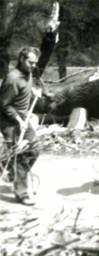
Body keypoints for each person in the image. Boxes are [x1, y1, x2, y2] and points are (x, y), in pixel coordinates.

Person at [0, 46, 41, 206]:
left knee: (34, 150)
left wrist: (36, 92)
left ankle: (7, 166)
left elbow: (25, 91)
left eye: (35, 63)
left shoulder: (28, 72)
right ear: (22, 59)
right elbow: (4, 105)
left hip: (23, 117)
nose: (33, 66)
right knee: (21, 155)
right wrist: (19, 120)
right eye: (31, 62)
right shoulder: (13, 79)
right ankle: (22, 193)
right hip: (8, 120)